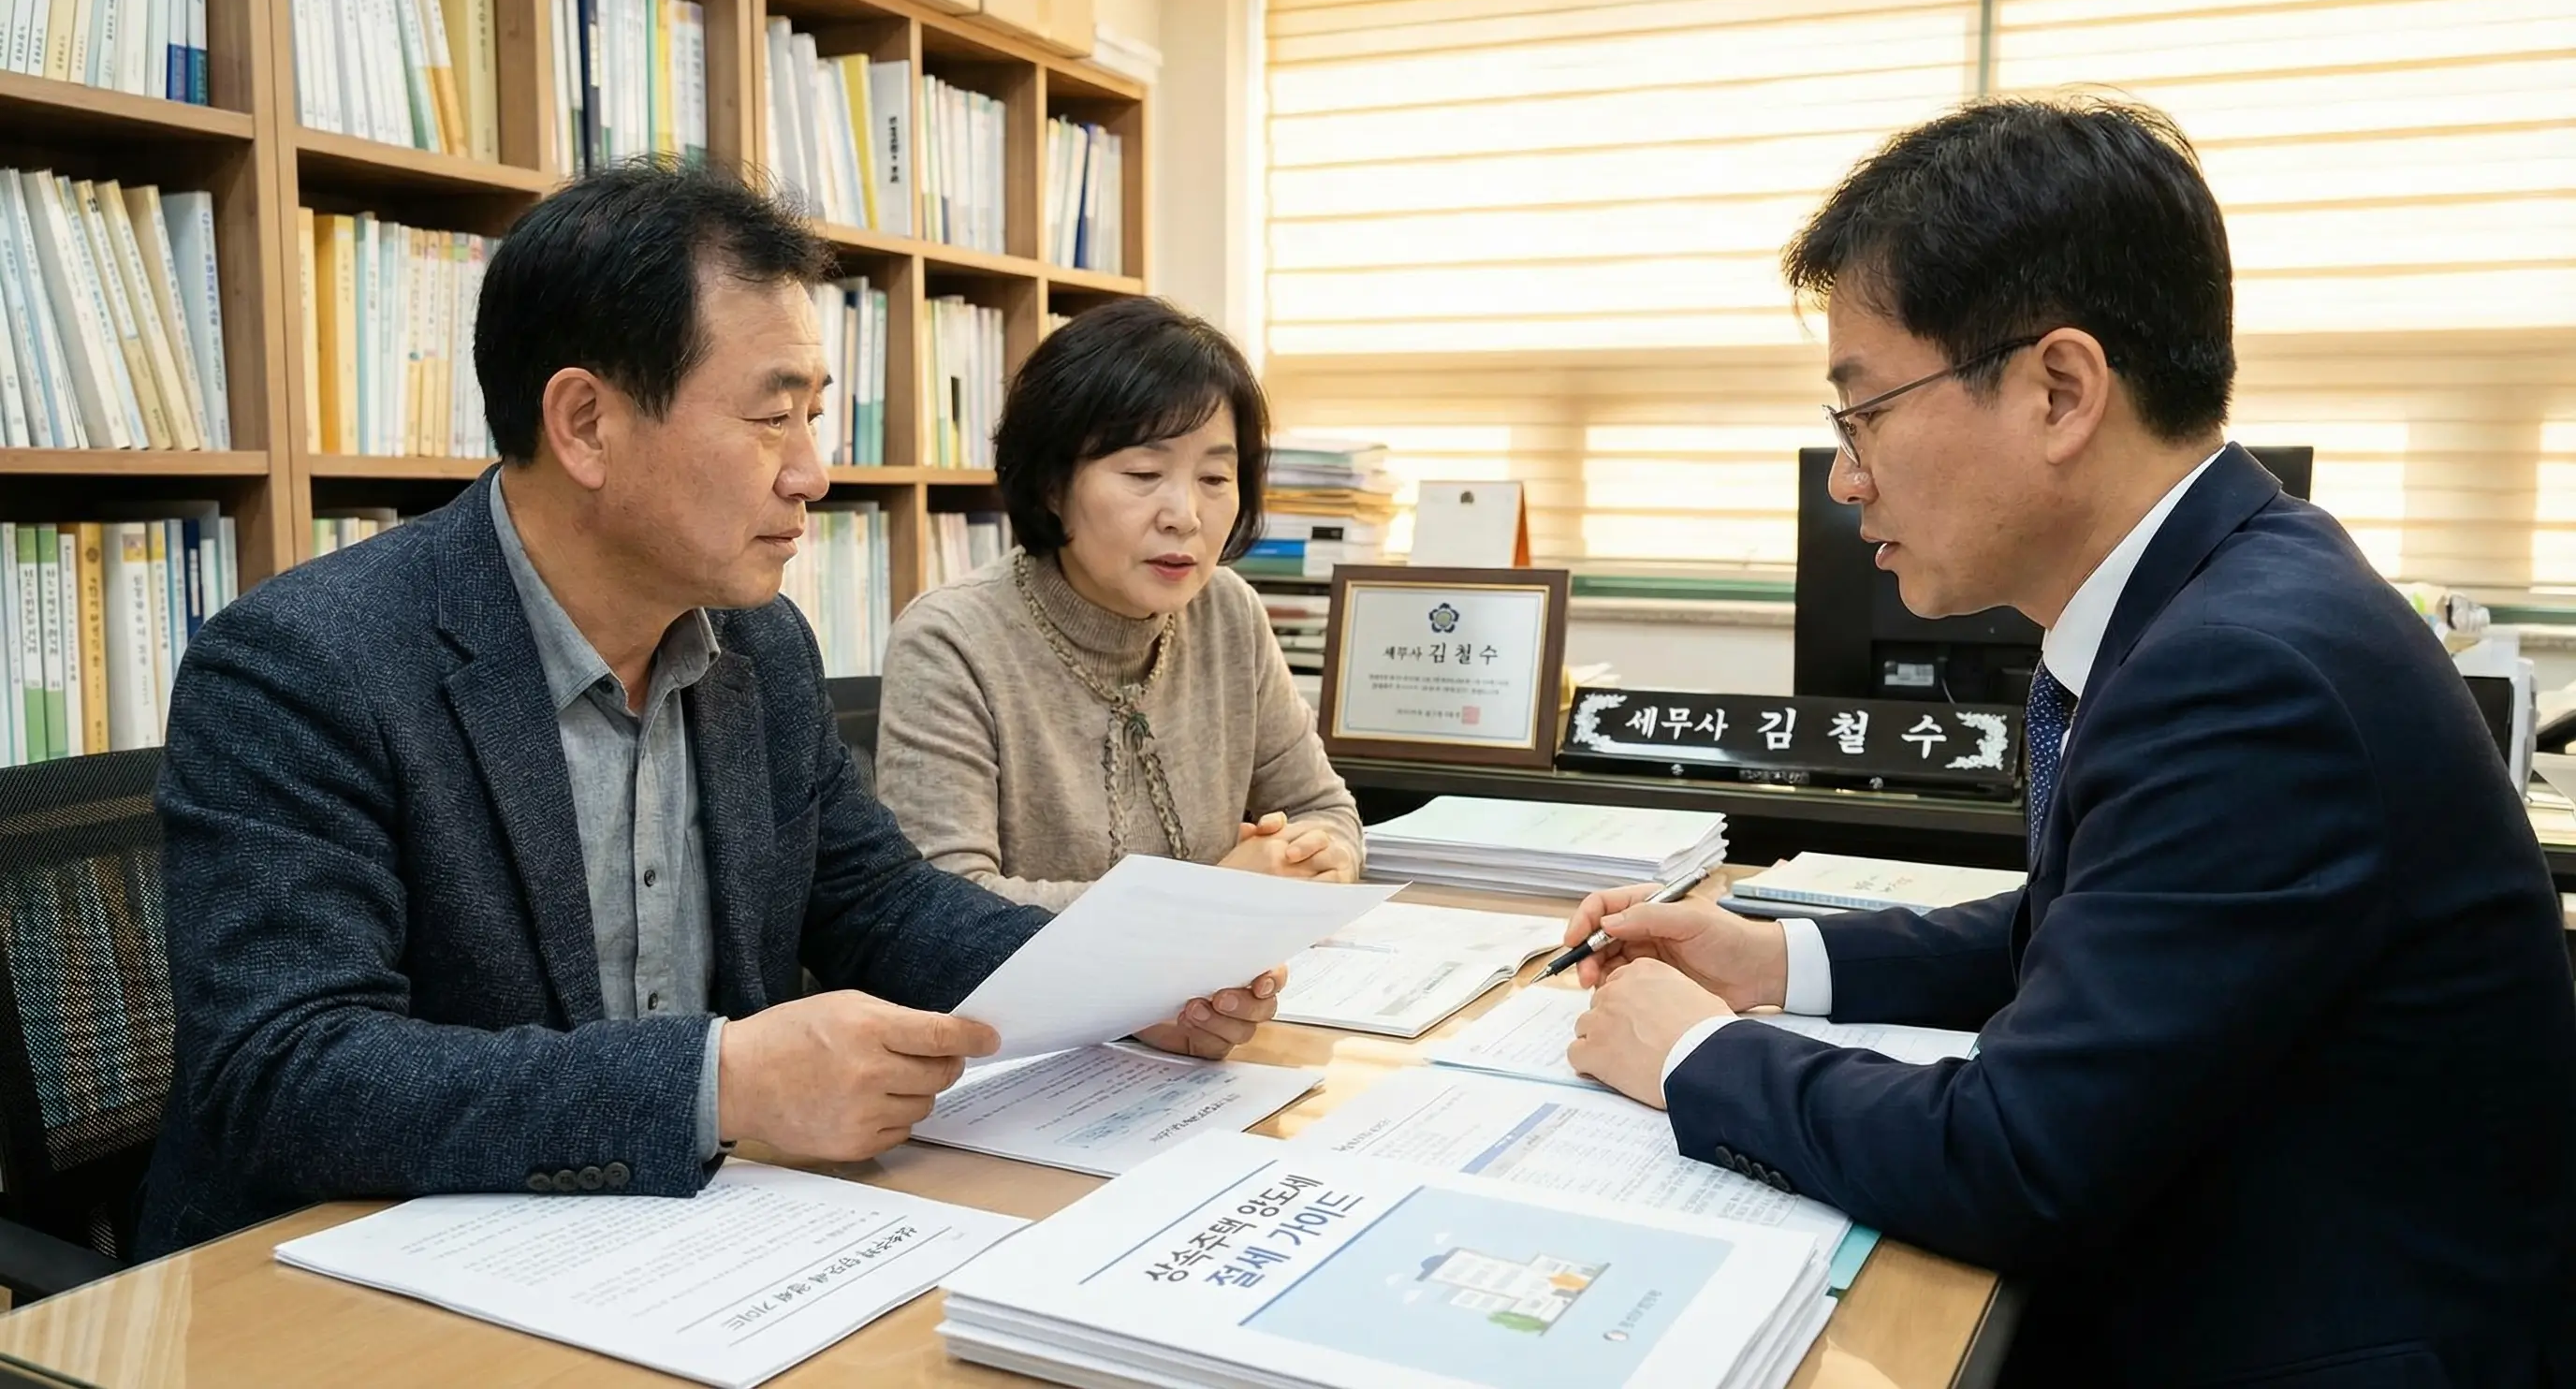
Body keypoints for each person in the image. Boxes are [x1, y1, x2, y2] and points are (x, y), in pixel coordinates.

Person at [1559, 99, 2576, 1384]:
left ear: (2059, 390)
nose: (1845, 478)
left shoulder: (2246, 672)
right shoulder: (2233, 588)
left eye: (1861, 413)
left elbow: (2019, 1161)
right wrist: (1775, 960)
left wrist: (1694, 1054)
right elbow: (2099, 924)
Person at [137, 163, 1280, 1256]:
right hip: (349, 1264)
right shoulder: (304, 664)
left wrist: (1126, 991)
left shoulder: (755, 643)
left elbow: (878, 904)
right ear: (586, 424)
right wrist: (717, 1082)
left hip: (685, 1238)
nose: (812, 474)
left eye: (814, 417)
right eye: (771, 418)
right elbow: (284, 1074)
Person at [874, 297, 1362, 910]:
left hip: (1208, 998)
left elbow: (1324, 809)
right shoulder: (953, 640)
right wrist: (1213, 899)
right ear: (1053, 485)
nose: (1185, 516)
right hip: (1028, 1003)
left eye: (1214, 479)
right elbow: (945, 906)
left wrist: (1320, 858)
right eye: (1141, 474)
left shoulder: (1227, 612)